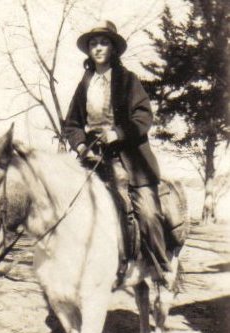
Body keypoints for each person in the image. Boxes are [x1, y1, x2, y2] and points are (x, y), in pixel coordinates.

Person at [64, 20, 173, 286]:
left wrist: (118, 134)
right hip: (92, 158)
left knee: (147, 211)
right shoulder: (85, 84)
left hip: (129, 159)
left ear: (113, 48)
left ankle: (161, 267)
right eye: (93, 43)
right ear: (88, 49)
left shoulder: (127, 80)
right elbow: (72, 124)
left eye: (103, 42)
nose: (98, 48)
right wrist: (79, 145)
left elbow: (143, 116)